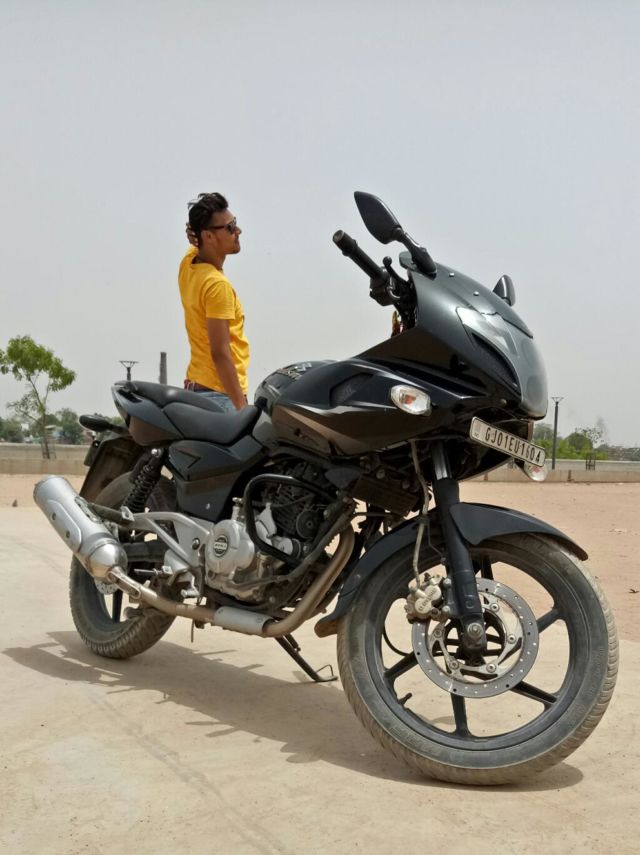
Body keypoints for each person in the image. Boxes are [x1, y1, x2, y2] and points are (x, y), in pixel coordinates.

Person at [178, 192, 249, 412]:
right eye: (230, 227)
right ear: (208, 236)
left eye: (235, 223)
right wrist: (241, 407)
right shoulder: (217, 286)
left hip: (198, 390)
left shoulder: (188, 265)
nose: (238, 231)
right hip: (221, 396)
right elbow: (220, 352)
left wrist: (195, 232)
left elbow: (195, 243)